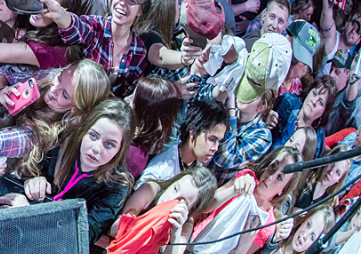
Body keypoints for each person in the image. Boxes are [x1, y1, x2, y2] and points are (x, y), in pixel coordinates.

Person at [0, 99, 135, 245]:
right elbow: (27, 169)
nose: (96, 149)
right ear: (84, 131)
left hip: (49, 247)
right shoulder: (62, 142)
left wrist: (29, 215)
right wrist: (33, 177)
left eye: (109, 144)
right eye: (93, 136)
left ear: (120, 150)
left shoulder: (117, 184)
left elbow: (83, 236)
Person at [192, 146, 305, 254]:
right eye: (273, 166)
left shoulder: (268, 224)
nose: (270, 176)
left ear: (283, 189)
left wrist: (242, 246)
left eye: (280, 177)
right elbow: (206, 206)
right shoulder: (246, 177)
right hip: (193, 243)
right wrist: (234, 189)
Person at [41, 0, 148, 96]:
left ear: (140, 11)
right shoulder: (96, 26)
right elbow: (75, 28)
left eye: (132, 1)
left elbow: (129, 91)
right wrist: (60, 14)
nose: (122, 3)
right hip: (72, 97)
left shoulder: (139, 50)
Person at [212, 33, 292, 181]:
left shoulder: (262, 135)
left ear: (262, 105)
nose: (240, 93)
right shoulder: (223, 97)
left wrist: (231, 113)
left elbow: (224, 157)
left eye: (251, 92)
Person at [111, 167, 217, 254]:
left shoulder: (185, 224)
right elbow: (113, 230)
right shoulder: (150, 190)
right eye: (175, 189)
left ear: (189, 210)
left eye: (181, 200)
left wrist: (175, 232)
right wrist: (152, 218)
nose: (171, 198)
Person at [136, 98, 230, 187]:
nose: (215, 148)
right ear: (193, 132)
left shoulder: (197, 165)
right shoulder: (162, 170)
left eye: (219, 141)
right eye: (212, 139)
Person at [250, 205, 335, 254]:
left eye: (312, 236)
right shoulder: (281, 231)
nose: (305, 234)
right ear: (304, 220)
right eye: (308, 225)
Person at [269, 74, 338, 158]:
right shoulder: (286, 102)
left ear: (324, 111)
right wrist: (265, 117)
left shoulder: (318, 138)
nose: (314, 101)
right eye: (314, 93)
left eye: (320, 102)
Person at [125, 76, 181, 178]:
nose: (127, 99)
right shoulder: (141, 147)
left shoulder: (132, 157)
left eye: (133, 98)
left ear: (143, 111)